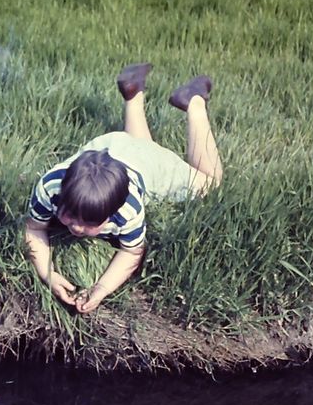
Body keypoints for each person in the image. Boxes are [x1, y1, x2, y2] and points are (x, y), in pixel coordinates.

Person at [24, 62, 223, 313]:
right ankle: (133, 94)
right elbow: (33, 228)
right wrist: (48, 274)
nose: (75, 227)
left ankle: (193, 102)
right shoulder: (49, 187)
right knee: (138, 145)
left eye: (89, 223)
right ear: (62, 194)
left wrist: (102, 288)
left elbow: (132, 252)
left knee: (210, 182)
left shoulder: (129, 209)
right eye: (69, 215)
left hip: (144, 166)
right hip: (107, 147)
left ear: (112, 213)